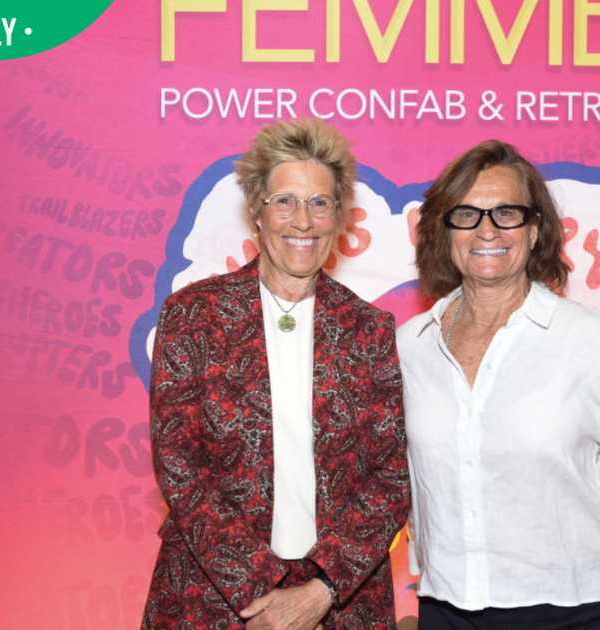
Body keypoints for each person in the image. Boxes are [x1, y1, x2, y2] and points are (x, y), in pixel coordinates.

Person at [142, 119, 410, 630]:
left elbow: (391, 477)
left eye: (320, 203)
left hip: (340, 603)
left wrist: (320, 590)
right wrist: (262, 589)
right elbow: (180, 465)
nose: (302, 220)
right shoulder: (194, 315)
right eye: (285, 200)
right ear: (257, 212)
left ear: (339, 217)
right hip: (213, 598)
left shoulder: (370, 330)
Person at [397, 140, 600, 629]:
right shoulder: (410, 347)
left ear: (535, 228)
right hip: (447, 606)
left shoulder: (592, 343)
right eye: (466, 214)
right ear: (443, 231)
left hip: (574, 608)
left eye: (507, 213)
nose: (486, 230)